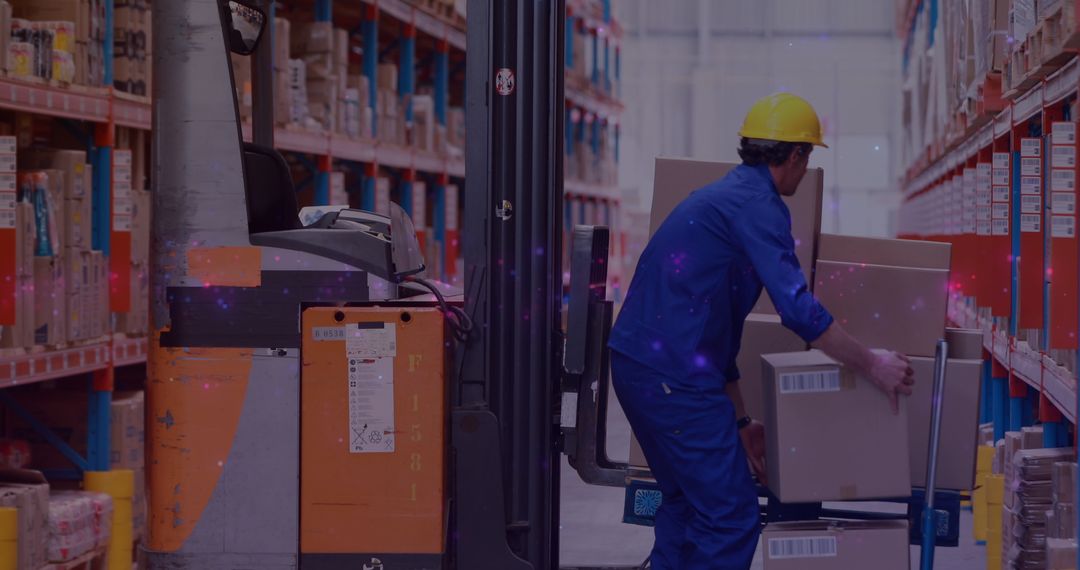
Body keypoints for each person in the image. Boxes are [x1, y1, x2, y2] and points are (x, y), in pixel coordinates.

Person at [608, 92, 916, 569]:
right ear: (795, 156)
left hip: (640, 367)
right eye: (807, 156)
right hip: (674, 379)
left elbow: (719, 327)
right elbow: (799, 311)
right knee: (730, 517)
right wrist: (873, 366)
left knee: (686, 504)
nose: (805, 167)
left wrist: (740, 422)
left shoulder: (724, 196)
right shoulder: (758, 206)